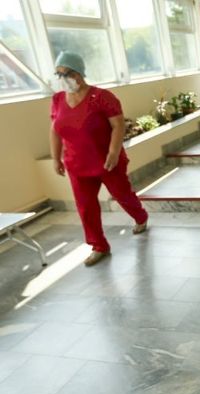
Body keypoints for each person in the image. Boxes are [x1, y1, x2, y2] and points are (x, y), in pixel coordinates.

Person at [49, 51, 148, 266]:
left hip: (107, 161)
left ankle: (140, 217)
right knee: (85, 207)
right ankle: (98, 246)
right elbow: (55, 130)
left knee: (122, 195)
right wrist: (56, 158)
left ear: (79, 73)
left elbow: (118, 125)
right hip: (76, 163)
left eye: (67, 73)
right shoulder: (57, 100)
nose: (62, 79)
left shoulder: (102, 97)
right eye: (58, 74)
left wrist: (113, 152)